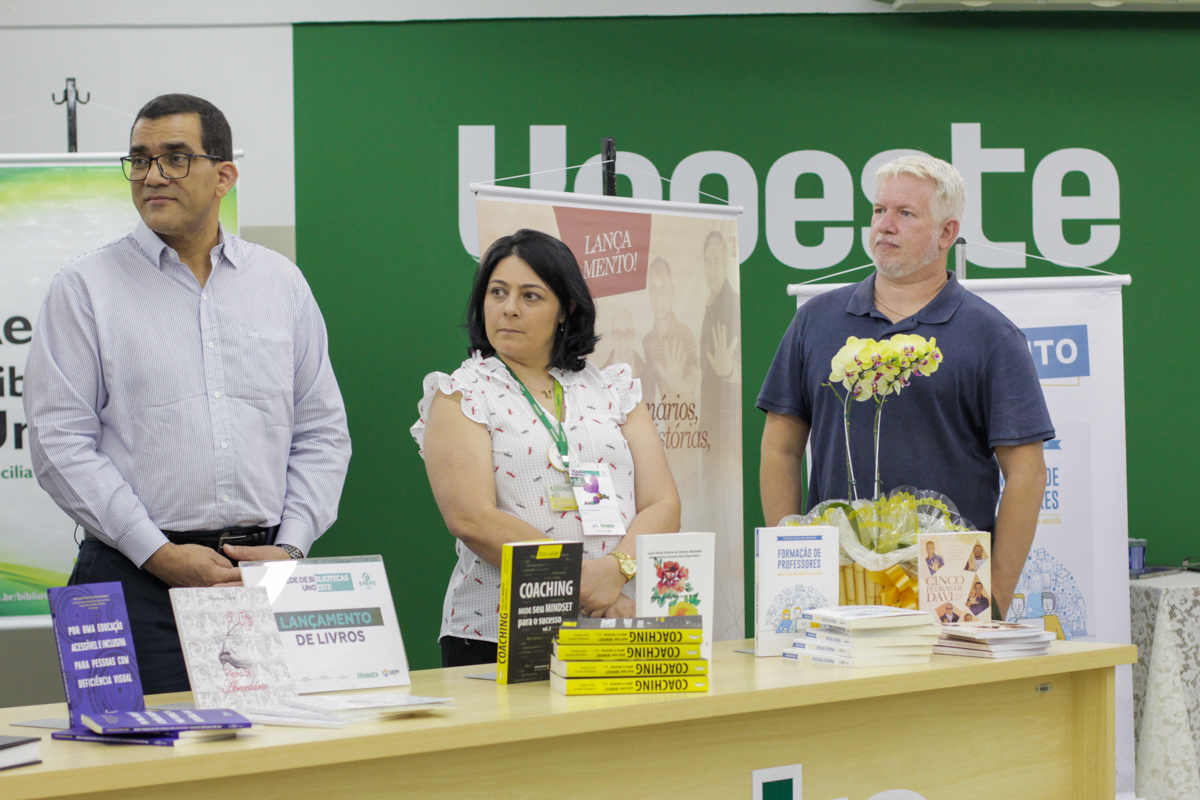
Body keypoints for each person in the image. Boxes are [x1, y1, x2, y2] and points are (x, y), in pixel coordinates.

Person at [24, 94, 351, 693]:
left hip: (259, 573)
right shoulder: (84, 287)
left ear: (224, 175)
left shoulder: (280, 282)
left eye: (175, 158)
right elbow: (58, 444)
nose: (152, 176)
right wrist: (157, 554)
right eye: (140, 159)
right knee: (127, 751)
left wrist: (291, 550)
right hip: (130, 576)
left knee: (267, 747)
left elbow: (322, 433)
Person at [757, 155, 1052, 618]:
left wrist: (994, 595)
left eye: (905, 213)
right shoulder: (815, 321)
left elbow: (1027, 474)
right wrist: (793, 569)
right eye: (879, 210)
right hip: (835, 582)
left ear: (947, 233)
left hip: (949, 587)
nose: (885, 225)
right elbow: (781, 449)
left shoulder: (992, 336)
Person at [412, 229, 680, 668]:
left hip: (620, 622)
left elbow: (663, 504)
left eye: (530, 296)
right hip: (499, 633)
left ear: (566, 309)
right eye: (498, 292)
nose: (509, 308)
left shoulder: (613, 389)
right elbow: (471, 519)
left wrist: (616, 570)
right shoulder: (461, 393)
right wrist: (585, 585)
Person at [641, 256, 699, 405]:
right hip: (654, 419)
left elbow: (695, 372)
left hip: (684, 419)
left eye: (663, 287)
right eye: (653, 289)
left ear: (672, 290)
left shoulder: (685, 333)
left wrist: (680, 384)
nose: (658, 296)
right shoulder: (646, 342)